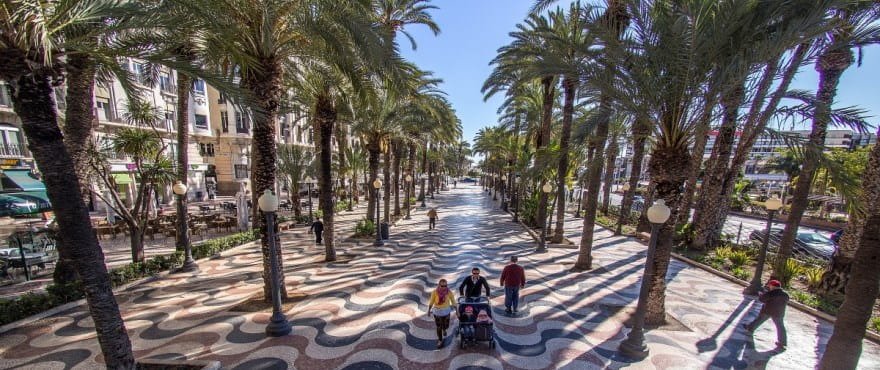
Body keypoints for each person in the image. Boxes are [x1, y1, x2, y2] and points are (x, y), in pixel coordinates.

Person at [744, 279, 789, 351]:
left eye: (770, 285)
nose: (769, 287)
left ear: (772, 286)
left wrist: (761, 294)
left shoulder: (771, 293)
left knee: (759, 320)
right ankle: (782, 342)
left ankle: (750, 328)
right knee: (780, 327)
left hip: (768, 311)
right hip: (779, 313)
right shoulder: (785, 294)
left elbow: (762, 299)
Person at [427, 278, 456, 348]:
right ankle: (440, 340)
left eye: (445, 286)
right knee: (439, 326)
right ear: (439, 285)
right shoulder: (435, 292)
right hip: (437, 312)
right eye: (442, 286)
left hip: (446, 311)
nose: (444, 287)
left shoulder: (449, 292)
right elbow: (431, 302)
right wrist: (429, 310)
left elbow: (453, 301)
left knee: (446, 325)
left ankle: (444, 329)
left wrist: (457, 311)